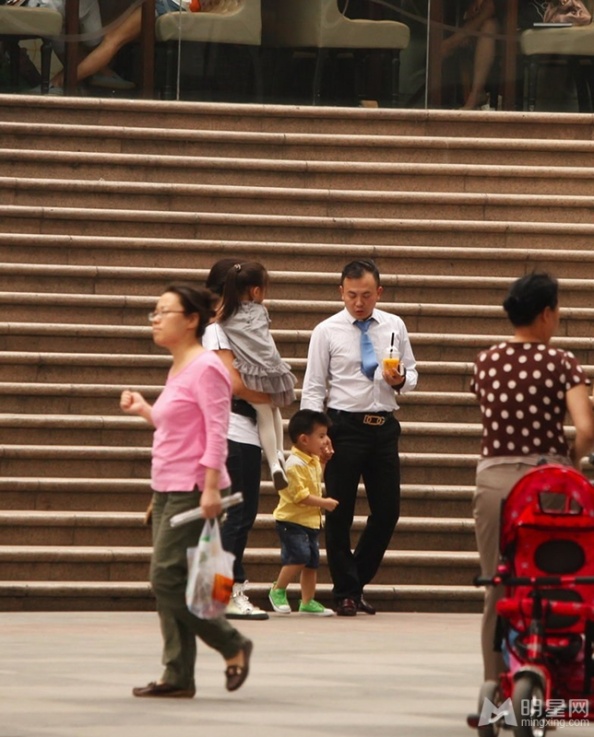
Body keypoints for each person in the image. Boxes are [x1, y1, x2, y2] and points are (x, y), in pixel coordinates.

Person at [120, 283, 253, 698]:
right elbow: (177, 427)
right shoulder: (179, 366)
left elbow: (217, 433)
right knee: (170, 580)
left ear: (192, 319)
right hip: (167, 488)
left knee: (164, 579)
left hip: (194, 492)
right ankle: (177, 674)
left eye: (164, 312)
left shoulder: (207, 367)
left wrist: (210, 490)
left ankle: (232, 643)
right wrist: (145, 409)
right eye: (153, 312)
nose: (155, 319)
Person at [470, 271, 594, 682]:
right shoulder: (561, 362)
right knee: (550, 583)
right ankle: (545, 679)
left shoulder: (486, 362)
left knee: (498, 587)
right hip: (546, 487)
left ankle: (494, 684)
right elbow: (586, 428)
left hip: (493, 482)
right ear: (545, 314)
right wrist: (569, 463)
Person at [300, 259, 418, 617]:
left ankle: (355, 581)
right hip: (343, 426)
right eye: (352, 295)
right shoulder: (327, 330)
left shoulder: (394, 325)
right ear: (341, 292)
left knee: (387, 512)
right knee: (339, 512)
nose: (359, 302)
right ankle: (346, 593)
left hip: (383, 426)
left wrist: (400, 381)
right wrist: (313, 438)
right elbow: (314, 387)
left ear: (378, 292)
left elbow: (411, 373)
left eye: (366, 295)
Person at [203, 258, 269, 621]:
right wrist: (275, 394)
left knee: (237, 515)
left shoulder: (236, 327)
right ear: (255, 292)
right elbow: (233, 383)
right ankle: (225, 592)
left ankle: (222, 590)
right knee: (238, 515)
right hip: (232, 428)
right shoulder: (217, 330)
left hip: (243, 429)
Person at [217, 261, 297, 492]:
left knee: (263, 414)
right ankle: (280, 454)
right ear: (255, 291)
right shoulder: (262, 311)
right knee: (274, 411)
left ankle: (273, 463)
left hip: (250, 372)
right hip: (272, 367)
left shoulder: (224, 316)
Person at [268, 409, 338, 617]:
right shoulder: (293, 465)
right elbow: (300, 496)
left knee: (311, 562)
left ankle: (307, 601)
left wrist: (324, 462)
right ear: (304, 439)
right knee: (298, 557)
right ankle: (277, 589)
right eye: (321, 436)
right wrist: (324, 502)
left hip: (310, 521)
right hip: (292, 521)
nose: (326, 441)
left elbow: (316, 481)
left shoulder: (313, 459)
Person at [441, 0, 500, 110]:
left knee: (488, 16)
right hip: (484, 20)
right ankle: (477, 93)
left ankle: (453, 42)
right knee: (487, 25)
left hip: (515, 16)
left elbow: (491, 7)